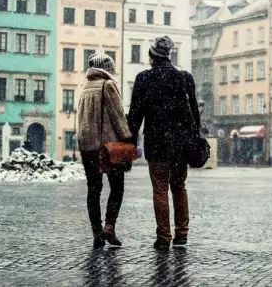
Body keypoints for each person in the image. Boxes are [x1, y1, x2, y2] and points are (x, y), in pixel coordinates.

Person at [127, 36, 200, 250]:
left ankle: (163, 237)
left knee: (159, 189)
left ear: (152, 56)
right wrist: (194, 139)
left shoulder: (143, 79)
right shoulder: (184, 78)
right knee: (179, 186)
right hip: (180, 144)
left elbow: (135, 116)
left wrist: (130, 143)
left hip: (157, 143)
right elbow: (194, 113)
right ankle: (182, 234)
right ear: (169, 55)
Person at [76, 52, 132, 249]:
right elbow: (118, 117)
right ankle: (109, 226)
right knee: (117, 187)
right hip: (110, 146)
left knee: (94, 189)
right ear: (107, 69)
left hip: (88, 146)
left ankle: (96, 233)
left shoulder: (84, 88)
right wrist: (127, 138)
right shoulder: (107, 85)